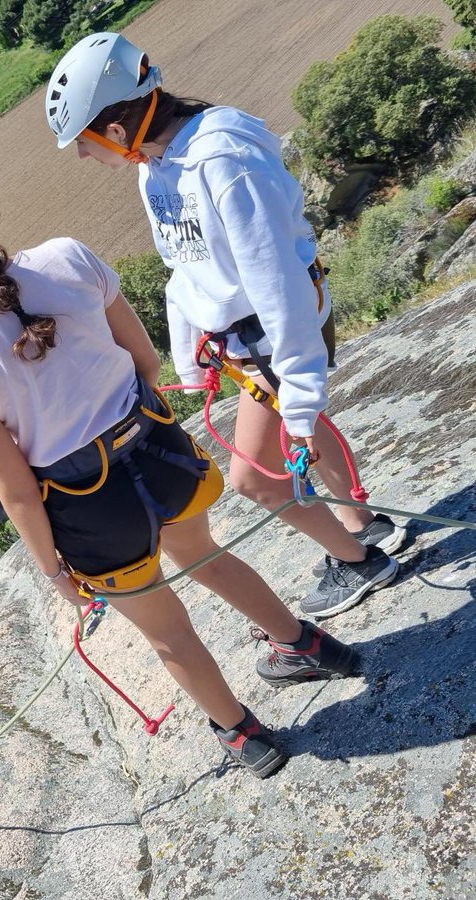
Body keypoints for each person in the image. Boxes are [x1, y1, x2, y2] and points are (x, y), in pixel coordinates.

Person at [0, 155, 362, 777]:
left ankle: (243, 735)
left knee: (167, 630)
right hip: (160, 454)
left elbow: (15, 487)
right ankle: (304, 642)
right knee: (206, 556)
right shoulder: (67, 255)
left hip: (91, 509)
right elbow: (145, 361)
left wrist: (51, 568)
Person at [45, 32, 406, 619]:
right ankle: (365, 525)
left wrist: (302, 390)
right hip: (243, 335)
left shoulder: (222, 158)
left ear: (114, 128)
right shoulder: (155, 166)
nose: (84, 157)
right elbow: (182, 265)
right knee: (298, 431)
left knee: (254, 480)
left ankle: (361, 562)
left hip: (274, 327)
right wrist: (190, 353)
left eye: (82, 142)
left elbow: (276, 280)